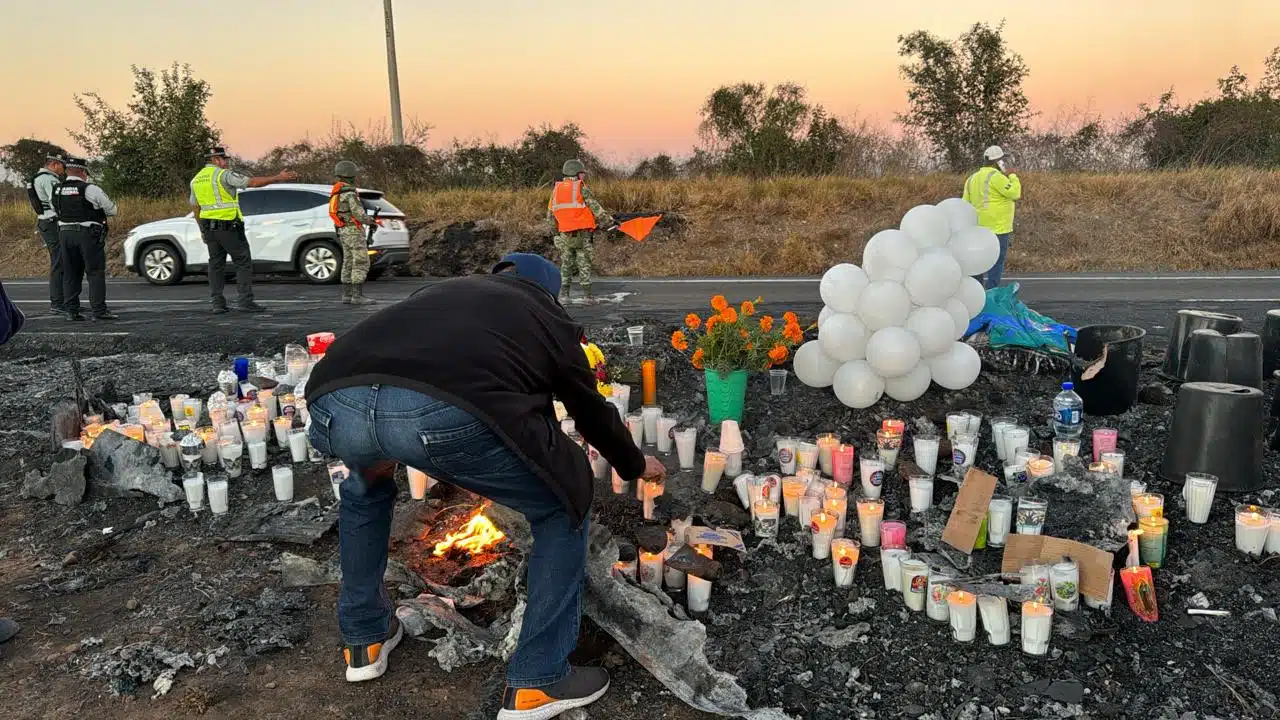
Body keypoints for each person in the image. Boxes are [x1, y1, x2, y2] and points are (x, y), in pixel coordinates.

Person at [306, 252, 663, 719]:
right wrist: (633, 465)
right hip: (440, 412)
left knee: (365, 491)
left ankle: (364, 640)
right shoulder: (545, 315)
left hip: (335, 401)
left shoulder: (441, 292)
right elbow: (589, 409)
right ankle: (539, 680)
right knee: (563, 504)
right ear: (548, 291)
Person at [188, 147, 298, 314]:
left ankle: (217, 303)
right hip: (228, 226)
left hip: (209, 228)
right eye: (224, 160)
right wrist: (278, 177)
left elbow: (195, 207)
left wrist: (202, 229)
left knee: (216, 264)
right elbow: (252, 183)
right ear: (216, 160)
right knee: (242, 261)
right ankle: (245, 301)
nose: (227, 163)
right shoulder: (222, 175)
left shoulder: (196, 180)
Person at [53, 157, 117, 321]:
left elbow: (55, 209)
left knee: (70, 273)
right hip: (87, 234)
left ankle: (72, 312)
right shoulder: (90, 189)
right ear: (83, 172)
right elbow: (111, 210)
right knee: (94, 272)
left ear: (67, 171)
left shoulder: (57, 189)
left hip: (64, 233)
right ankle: (99, 311)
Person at [548, 159, 614, 304]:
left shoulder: (556, 189)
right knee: (584, 262)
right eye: (582, 173)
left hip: (565, 233)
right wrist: (609, 220)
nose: (584, 176)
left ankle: (564, 295)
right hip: (581, 233)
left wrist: (554, 233)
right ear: (576, 173)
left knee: (566, 263)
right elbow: (595, 206)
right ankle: (587, 296)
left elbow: (550, 213)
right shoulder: (580, 187)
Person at [962, 145, 1022, 289]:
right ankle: (991, 293)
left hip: (977, 229)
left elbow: (964, 203)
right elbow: (1015, 193)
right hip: (998, 229)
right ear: (998, 162)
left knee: (978, 263)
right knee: (996, 264)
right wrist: (1012, 175)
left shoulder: (971, 179)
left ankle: (976, 295)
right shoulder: (996, 177)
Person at [328, 160, 377, 306]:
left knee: (348, 261)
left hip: (343, 230)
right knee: (361, 261)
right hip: (354, 231)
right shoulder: (349, 193)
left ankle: (347, 294)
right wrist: (371, 222)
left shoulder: (336, 192)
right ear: (351, 175)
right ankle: (357, 296)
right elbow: (359, 214)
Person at [27, 154, 66, 316]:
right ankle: (57, 303)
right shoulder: (49, 179)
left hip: (46, 222)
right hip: (51, 223)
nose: (64, 170)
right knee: (59, 262)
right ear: (55, 164)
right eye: (63, 166)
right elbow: (56, 202)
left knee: (61, 261)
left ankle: (64, 302)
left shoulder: (39, 177)